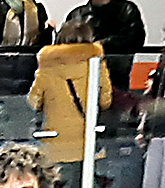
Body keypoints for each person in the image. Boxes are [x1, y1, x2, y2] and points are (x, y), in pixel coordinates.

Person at [27, 17, 110, 165]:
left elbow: (34, 101)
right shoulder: (96, 64)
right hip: (86, 142)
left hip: (55, 143)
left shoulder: (48, 66)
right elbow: (105, 101)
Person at [63, 0, 146, 110]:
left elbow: (136, 40)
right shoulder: (77, 15)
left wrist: (104, 44)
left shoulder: (126, 10)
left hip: (117, 75)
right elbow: (63, 45)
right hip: (82, 76)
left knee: (114, 116)